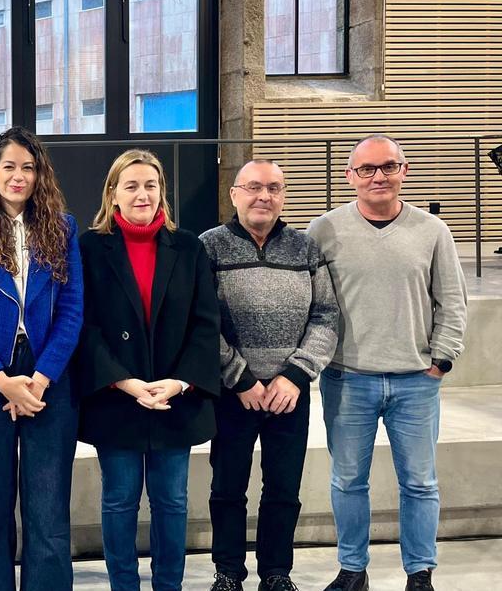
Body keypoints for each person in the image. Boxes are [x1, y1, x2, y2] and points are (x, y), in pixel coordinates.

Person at [309, 135, 468, 591]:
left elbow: (452, 301)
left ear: (404, 170)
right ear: (349, 176)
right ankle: (352, 570)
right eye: (367, 169)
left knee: (420, 483)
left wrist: (442, 359)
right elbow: (313, 301)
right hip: (348, 379)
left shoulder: (433, 231)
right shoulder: (324, 230)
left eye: (388, 166)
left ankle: (420, 573)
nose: (378, 176)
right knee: (347, 481)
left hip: (416, 382)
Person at [73, 148, 220, 591]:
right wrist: (125, 382)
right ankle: (124, 586)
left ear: (162, 193)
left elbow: (205, 322)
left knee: (172, 502)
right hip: (117, 396)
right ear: (112, 193)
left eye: (150, 185)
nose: (142, 194)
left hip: (174, 398)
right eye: (131, 185)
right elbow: (84, 325)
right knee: (118, 501)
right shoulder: (89, 247)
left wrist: (178, 382)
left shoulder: (189, 247)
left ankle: (168, 586)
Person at [0, 127, 83, 591]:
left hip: (50, 374)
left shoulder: (63, 228)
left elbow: (72, 309)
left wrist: (41, 379)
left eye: (28, 167)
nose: (19, 176)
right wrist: (2, 380)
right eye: (10, 166)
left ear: (39, 173)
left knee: (47, 505)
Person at [199, 160, 339, 591]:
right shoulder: (210, 247)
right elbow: (200, 321)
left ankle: (276, 573)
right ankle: (228, 573)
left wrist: (295, 376)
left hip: (287, 395)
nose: (265, 196)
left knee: (283, 491)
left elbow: (327, 316)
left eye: (274, 188)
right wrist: (239, 378)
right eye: (255, 187)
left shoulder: (305, 248)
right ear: (235, 194)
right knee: (227, 488)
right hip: (232, 394)